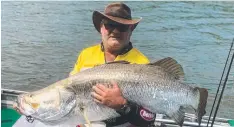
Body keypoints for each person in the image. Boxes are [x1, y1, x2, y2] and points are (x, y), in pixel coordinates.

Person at [70, 2, 156, 127]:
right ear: (101, 27)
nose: (115, 31)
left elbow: (148, 118)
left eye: (122, 27)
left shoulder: (143, 64)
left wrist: (122, 104)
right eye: (110, 25)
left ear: (130, 30)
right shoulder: (85, 55)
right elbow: (71, 91)